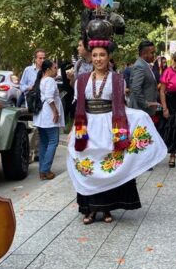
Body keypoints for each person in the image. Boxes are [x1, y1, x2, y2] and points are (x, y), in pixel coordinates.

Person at [68, 31, 166, 225]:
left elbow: (122, 107)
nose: (98, 59)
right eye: (95, 55)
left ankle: (105, 209)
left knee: (108, 165)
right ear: (91, 56)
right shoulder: (82, 80)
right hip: (87, 128)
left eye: (102, 55)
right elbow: (79, 107)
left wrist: (141, 116)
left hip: (109, 127)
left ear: (108, 57)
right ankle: (89, 209)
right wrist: (73, 130)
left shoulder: (117, 80)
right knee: (88, 164)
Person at [33, 60, 64, 180]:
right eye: (54, 68)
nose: (56, 70)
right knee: (53, 141)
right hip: (48, 116)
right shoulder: (50, 80)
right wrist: (55, 112)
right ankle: (45, 170)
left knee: (44, 142)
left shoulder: (41, 80)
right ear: (48, 70)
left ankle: (43, 171)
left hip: (41, 116)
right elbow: (50, 98)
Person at [128, 40, 159, 116]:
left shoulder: (144, 65)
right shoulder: (140, 66)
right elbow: (135, 88)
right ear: (144, 54)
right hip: (140, 111)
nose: (154, 55)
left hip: (144, 111)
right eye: (152, 53)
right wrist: (146, 104)